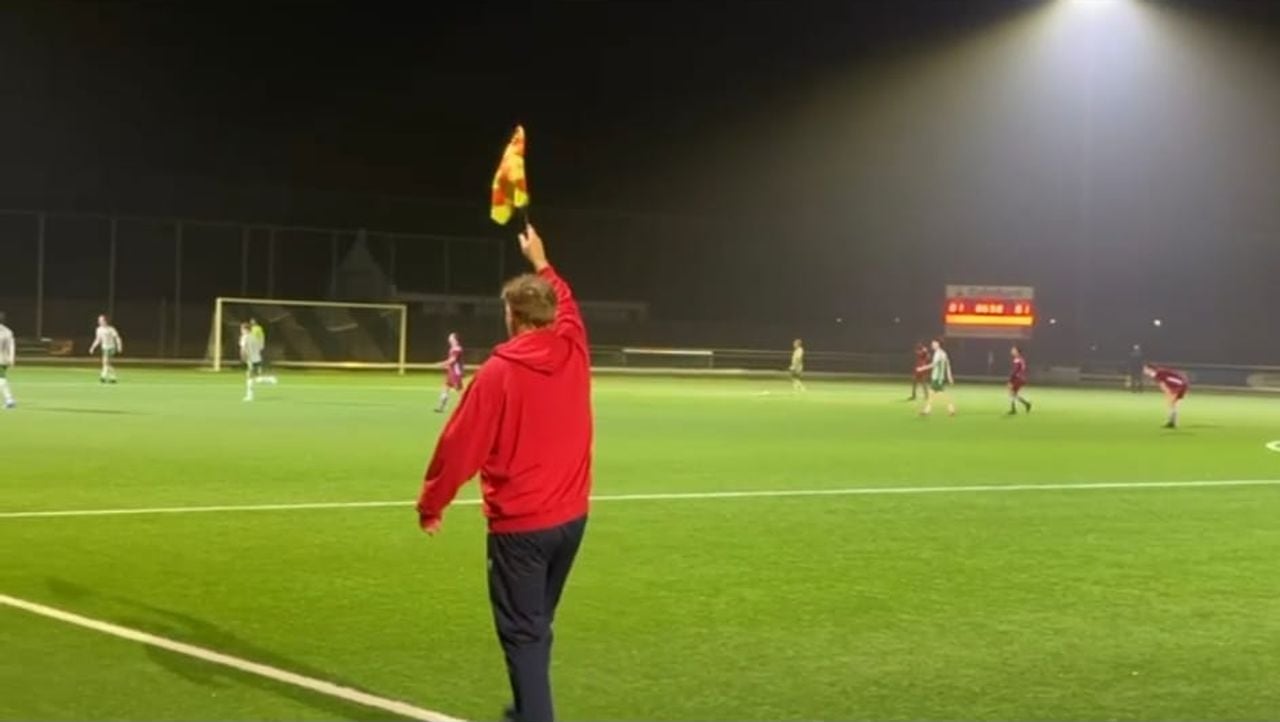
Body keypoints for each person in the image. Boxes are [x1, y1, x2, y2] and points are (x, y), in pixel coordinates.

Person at [416, 223, 592, 722]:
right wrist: (542, 260)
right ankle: (527, 707)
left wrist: (431, 504)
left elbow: (459, 448)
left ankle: (533, 714)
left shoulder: (498, 373)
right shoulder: (573, 346)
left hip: (522, 529)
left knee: (523, 632)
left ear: (511, 316)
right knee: (536, 623)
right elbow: (568, 301)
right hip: (572, 520)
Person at [916, 338, 956, 416]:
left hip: (937, 378)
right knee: (932, 394)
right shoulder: (943, 353)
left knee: (941, 393)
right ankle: (927, 410)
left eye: (934, 343)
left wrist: (921, 368)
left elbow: (933, 365)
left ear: (938, 344)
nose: (932, 345)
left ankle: (951, 408)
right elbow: (948, 364)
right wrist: (949, 376)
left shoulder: (938, 354)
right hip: (938, 377)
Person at [239, 321, 277, 401]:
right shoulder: (254, 337)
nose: (241, 331)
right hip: (258, 359)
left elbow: (243, 348)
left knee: (250, 378)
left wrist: (243, 357)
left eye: (242, 329)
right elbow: (260, 348)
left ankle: (250, 396)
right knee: (255, 378)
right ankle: (270, 380)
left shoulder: (244, 337)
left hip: (251, 360)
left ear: (246, 329)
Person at [1144, 363, 1188, 429]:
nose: (1144, 371)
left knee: (1172, 403)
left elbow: (1163, 385)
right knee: (1173, 404)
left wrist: (1168, 394)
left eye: (1145, 369)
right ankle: (1172, 422)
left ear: (1150, 369)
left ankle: (1172, 423)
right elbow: (1164, 383)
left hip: (1178, 385)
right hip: (1181, 384)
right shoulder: (1157, 373)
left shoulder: (1157, 373)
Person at [434, 332, 465, 413]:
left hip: (456, 373)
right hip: (451, 372)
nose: (449, 339)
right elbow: (452, 362)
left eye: (451, 337)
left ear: (455, 339)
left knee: (459, 391)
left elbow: (452, 360)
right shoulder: (452, 349)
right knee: (446, 388)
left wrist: (441, 364)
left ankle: (466, 407)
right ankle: (441, 407)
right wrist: (447, 366)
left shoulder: (457, 349)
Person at [88, 315, 122, 384]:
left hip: (111, 348)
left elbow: (117, 338)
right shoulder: (98, 329)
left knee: (105, 362)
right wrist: (92, 347)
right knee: (107, 363)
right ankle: (113, 377)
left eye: (101, 320)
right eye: (99, 320)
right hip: (104, 348)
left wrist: (119, 346)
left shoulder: (111, 329)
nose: (99, 321)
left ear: (105, 321)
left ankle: (103, 377)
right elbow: (98, 339)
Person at [1007, 345, 1032, 415]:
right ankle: (1026, 404)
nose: (1012, 351)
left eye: (1013, 350)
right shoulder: (1021, 359)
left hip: (1018, 378)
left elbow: (1016, 370)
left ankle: (1015, 409)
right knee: (1013, 393)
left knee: (1012, 393)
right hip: (1021, 378)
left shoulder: (1017, 359)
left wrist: (1010, 380)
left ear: (1017, 352)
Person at [0, 311, 16, 409]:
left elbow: (10, 346)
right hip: (4, 359)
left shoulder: (6, 332)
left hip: (1, 360)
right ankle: (9, 399)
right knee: (1, 379)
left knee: (1, 379)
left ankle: (9, 400)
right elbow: (12, 346)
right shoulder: (8, 331)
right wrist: (11, 358)